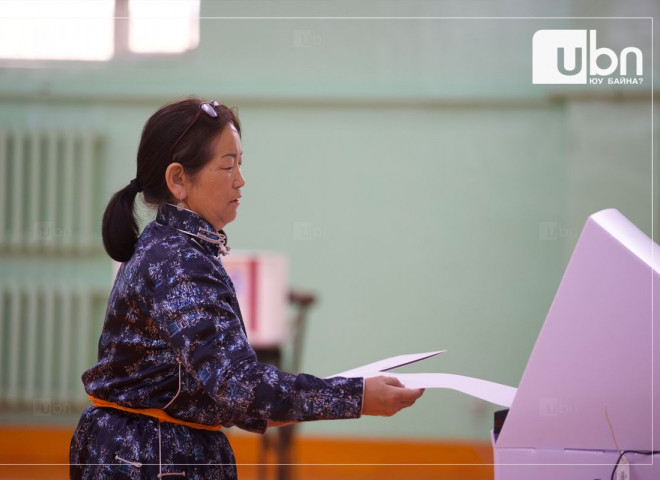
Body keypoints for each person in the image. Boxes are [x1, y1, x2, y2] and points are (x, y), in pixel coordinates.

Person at [69, 97, 425, 479]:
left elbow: (233, 397)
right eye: (227, 166)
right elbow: (240, 386)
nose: (240, 180)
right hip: (149, 458)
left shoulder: (176, 248)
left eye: (240, 164)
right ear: (178, 180)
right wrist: (357, 397)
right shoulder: (178, 262)